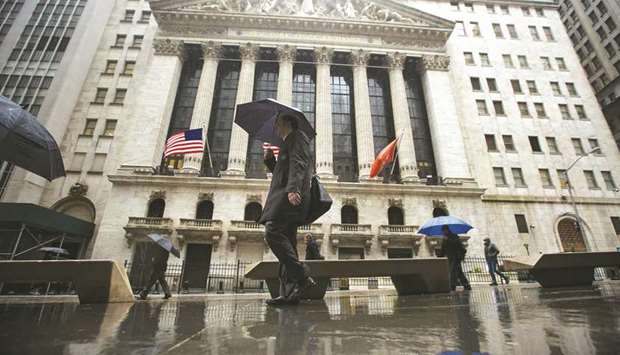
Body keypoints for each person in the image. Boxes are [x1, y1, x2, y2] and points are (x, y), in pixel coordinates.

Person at [260, 114, 315, 306]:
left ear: (287, 123)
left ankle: (302, 278)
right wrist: (270, 161)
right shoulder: (287, 142)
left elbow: (298, 164)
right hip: (285, 195)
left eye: (277, 122)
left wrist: (293, 189)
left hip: (288, 197)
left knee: (273, 232)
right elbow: (282, 172)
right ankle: (291, 293)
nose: (275, 126)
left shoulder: (297, 137)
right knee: (288, 243)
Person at [438, 225, 471, 291]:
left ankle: (452, 286)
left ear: (447, 230)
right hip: (450, 258)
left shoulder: (454, 236)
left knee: (452, 271)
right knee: (459, 272)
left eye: (444, 230)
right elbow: (443, 249)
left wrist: (448, 240)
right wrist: (439, 256)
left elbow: (458, 245)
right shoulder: (444, 238)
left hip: (456, 257)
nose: (443, 232)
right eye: (443, 231)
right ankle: (466, 285)